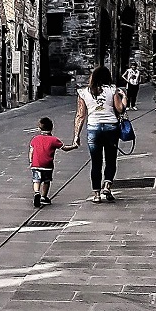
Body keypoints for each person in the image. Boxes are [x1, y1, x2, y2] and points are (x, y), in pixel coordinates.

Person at [74, 65, 127, 203]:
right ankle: (107, 186)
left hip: (93, 128)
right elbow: (120, 109)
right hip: (111, 127)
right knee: (110, 159)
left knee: (96, 162)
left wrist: (76, 135)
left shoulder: (83, 92)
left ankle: (96, 194)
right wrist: (124, 97)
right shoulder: (112, 89)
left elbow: (80, 115)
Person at [28, 116, 74, 207]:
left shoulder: (35, 139)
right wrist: (74, 146)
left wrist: (31, 161)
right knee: (46, 181)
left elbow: (31, 151)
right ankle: (44, 197)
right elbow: (64, 148)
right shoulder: (54, 140)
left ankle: (37, 192)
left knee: (36, 180)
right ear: (52, 128)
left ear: (39, 128)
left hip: (36, 164)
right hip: (47, 165)